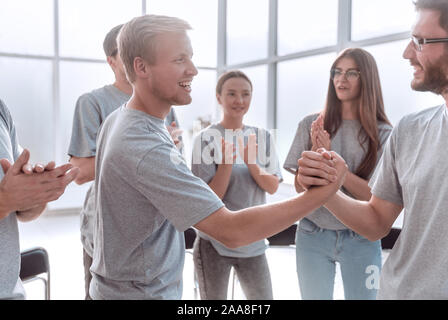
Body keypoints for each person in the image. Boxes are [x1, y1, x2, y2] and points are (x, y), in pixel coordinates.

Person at [89, 14, 346, 300]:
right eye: (179, 60)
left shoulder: (119, 118)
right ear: (141, 67)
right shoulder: (144, 143)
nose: (193, 70)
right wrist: (323, 193)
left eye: (191, 58)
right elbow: (231, 230)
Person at [297, 0, 448, 299]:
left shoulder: (384, 131)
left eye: (420, 41)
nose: (407, 53)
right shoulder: (410, 130)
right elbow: (377, 222)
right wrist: (329, 187)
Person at [68, 24, 182, 300]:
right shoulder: (93, 102)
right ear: (111, 61)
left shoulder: (164, 103)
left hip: (158, 237)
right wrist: (140, 150)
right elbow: (80, 171)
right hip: (109, 236)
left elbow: (176, 161)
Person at [283, 48, 393, 300]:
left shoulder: (385, 134)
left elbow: (375, 195)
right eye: (337, 72)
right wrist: (316, 155)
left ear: (367, 78)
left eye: (351, 73)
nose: (341, 79)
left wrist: (336, 170)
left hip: (362, 238)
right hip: (313, 233)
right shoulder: (312, 124)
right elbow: (301, 190)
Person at [191, 70, 282, 300]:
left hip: (253, 242)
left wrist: (252, 163)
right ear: (219, 97)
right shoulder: (204, 139)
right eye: (231, 94)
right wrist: (226, 165)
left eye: (245, 94)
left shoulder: (262, 137)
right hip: (214, 243)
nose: (239, 101)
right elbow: (207, 200)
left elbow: (272, 187)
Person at [0, 99, 79, 299]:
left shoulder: (1, 111)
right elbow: (6, 199)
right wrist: (5, 201)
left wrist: (36, 193)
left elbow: (20, 210)